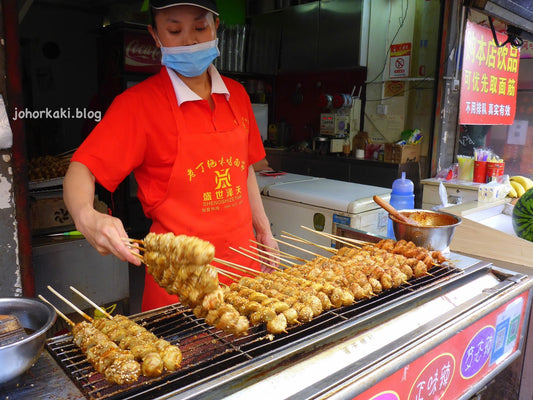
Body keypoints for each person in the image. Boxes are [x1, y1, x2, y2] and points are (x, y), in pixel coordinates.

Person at [63, 0, 278, 311]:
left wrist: (265, 230)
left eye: (200, 27)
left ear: (216, 27)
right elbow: (82, 169)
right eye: (174, 30)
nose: (189, 40)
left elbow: (243, 169)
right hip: (180, 283)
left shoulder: (238, 95)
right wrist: (86, 216)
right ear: (155, 35)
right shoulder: (137, 105)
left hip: (245, 272)